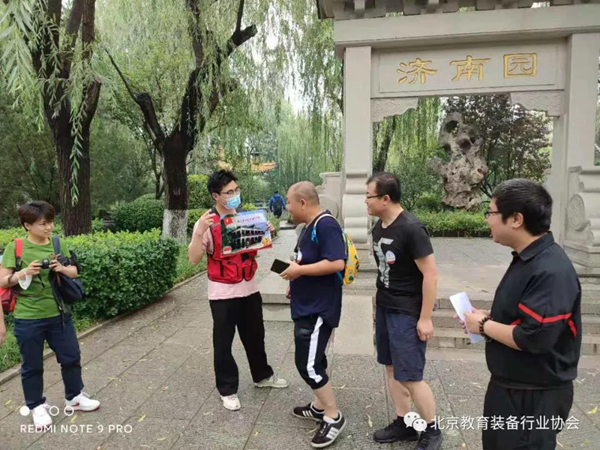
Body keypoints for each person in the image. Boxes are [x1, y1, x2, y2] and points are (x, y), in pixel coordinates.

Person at [461, 179, 582, 450]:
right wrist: (489, 316)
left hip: (534, 396)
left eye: (491, 212)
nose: (487, 220)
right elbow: (525, 315)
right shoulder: (527, 258)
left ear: (516, 219)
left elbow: (535, 336)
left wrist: (483, 325)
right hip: (511, 387)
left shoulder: (551, 270)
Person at [188, 170, 288, 411]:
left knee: (256, 336)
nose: (234, 195)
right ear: (216, 196)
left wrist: (267, 232)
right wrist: (199, 231)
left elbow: (257, 247)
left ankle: (262, 376)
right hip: (222, 294)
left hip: (249, 289)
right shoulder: (207, 223)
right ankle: (227, 389)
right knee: (223, 343)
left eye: (236, 190)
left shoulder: (245, 218)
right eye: (229, 192)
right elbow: (193, 259)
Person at [0, 201, 100, 430]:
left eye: (51, 222)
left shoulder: (57, 243)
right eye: (42, 223)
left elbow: (74, 272)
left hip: (59, 313)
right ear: (27, 225)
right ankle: (36, 406)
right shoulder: (15, 247)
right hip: (28, 317)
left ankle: (74, 397)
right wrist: (24, 273)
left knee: (71, 356)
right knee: (32, 364)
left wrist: (61, 268)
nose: (48, 227)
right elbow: (2, 281)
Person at [366, 172, 443, 450]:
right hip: (385, 306)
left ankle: (432, 430)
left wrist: (425, 318)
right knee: (391, 368)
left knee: (410, 375)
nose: (366, 201)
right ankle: (405, 422)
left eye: (369, 196)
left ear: (386, 198)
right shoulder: (379, 226)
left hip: (407, 311)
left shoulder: (412, 228)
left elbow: (430, 275)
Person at [281, 181, 347, 448]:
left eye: (288, 201)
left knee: (307, 365)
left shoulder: (326, 225)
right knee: (315, 358)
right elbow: (307, 260)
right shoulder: (309, 226)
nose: (286, 206)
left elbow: (337, 262)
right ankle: (319, 407)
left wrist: (299, 272)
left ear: (302, 202)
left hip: (318, 308)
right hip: (306, 304)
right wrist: (294, 274)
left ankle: (333, 416)